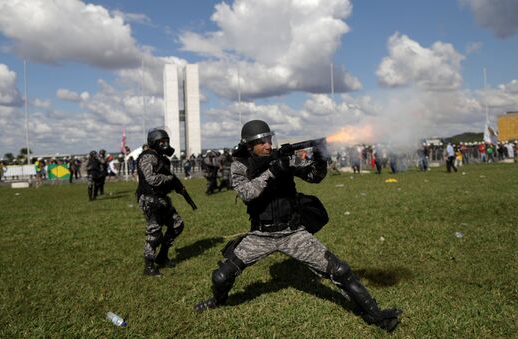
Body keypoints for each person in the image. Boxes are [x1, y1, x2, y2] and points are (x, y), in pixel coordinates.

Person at [193, 120, 401, 332]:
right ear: (249, 146)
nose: (268, 145)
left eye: (269, 140)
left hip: (293, 233)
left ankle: (376, 316)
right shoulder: (240, 165)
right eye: (262, 142)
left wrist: (320, 160)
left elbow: (314, 177)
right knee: (220, 277)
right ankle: (218, 301)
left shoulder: (284, 158)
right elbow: (247, 193)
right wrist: (273, 171)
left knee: (340, 270)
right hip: (260, 235)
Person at [136, 128, 186, 276]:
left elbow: (166, 178)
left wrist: (177, 187)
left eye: (167, 142)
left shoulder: (161, 158)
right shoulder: (147, 157)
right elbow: (151, 179)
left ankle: (162, 256)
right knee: (155, 232)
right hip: (150, 199)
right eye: (162, 142)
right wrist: (169, 179)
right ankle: (149, 265)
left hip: (162, 199)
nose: (165, 145)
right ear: (153, 142)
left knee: (177, 225)